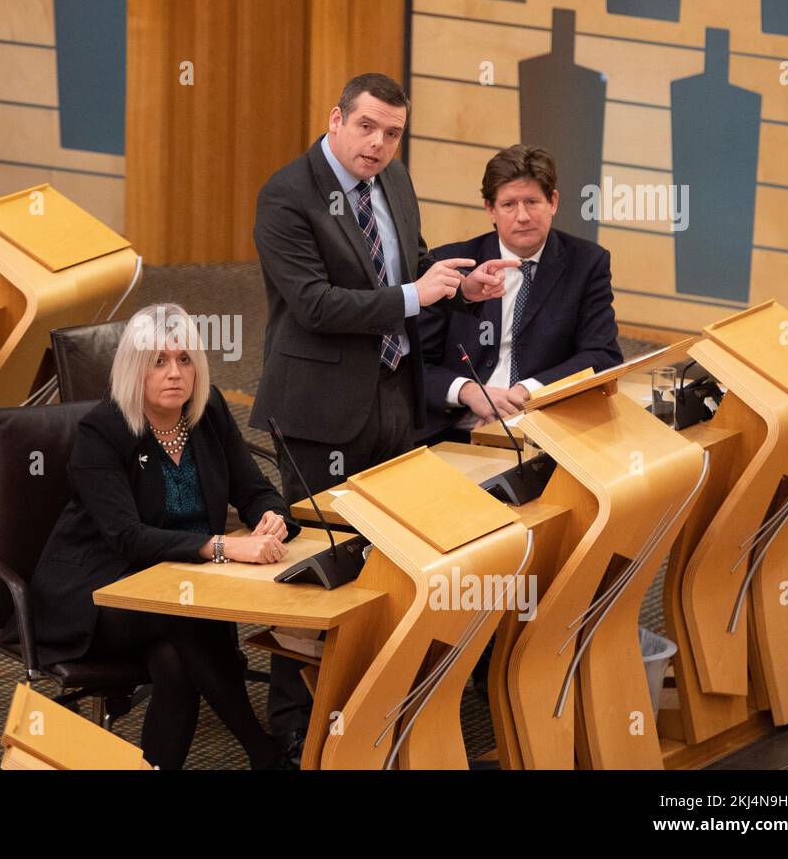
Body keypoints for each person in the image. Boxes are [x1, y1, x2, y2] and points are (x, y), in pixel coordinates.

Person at [250, 72, 519, 753]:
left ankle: (372, 702)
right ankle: (292, 728)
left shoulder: (395, 183)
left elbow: (412, 268)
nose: (377, 144)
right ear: (336, 118)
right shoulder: (286, 195)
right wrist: (414, 294)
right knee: (320, 569)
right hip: (320, 412)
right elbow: (313, 304)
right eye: (366, 127)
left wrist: (462, 290)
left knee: (390, 558)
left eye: (392, 133)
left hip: (395, 401)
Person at [29, 303, 301, 769]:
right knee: (182, 618)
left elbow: (254, 489)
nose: (175, 373)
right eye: (159, 361)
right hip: (99, 590)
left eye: (185, 359)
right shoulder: (103, 431)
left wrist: (271, 517)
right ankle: (263, 751)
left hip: (178, 587)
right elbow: (126, 538)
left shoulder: (207, 410)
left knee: (174, 664)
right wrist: (221, 546)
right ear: (135, 369)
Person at [417, 144, 623, 443]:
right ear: (490, 209)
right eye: (509, 204)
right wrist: (469, 391)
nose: (523, 216)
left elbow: (602, 355)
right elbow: (415, 365)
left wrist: (529, 390)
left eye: (532, 201)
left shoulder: (587, 263)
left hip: (544, 430)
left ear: (553, 201)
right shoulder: (451, 265)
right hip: (453, 432)